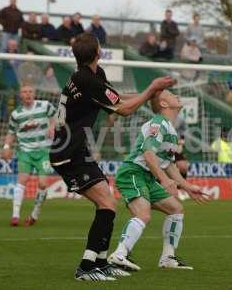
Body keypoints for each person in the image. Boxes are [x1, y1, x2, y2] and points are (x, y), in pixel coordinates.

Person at [49, 32, 176, 281]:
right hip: (68, 153)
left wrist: (147, 94)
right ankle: (86, 268)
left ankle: (100, 262)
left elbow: (116, 100)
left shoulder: (94, 76)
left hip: (77, 150)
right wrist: (151, 88)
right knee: (107, 204)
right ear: (98, 52)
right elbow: (125, 110)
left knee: (108, 205)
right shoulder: (87, 80)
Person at [108, 89, 208, 271]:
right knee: (143, 214)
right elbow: (147, 153)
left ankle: (168, 258)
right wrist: (164, 180)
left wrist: (187, 186)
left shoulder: (170, 128)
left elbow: (169, 165)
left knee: (176, 208)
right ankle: (119, 255)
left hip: (147, 176)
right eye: (171, 94)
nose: (176, 95)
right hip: (133, 172)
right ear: (164, 104)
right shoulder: (158, 124)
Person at [1, 85, 56, 226]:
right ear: (21, 95)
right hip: (25, 151)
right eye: (25, 92)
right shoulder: (16, 114)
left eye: (30, 91)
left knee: (43, 184)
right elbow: (11, 133)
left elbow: (56, 117)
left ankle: (34, 214)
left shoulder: (45, 106)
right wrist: (7, 147)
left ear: (34, 93)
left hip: (44, 151)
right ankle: (15, 216)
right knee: (22, 180)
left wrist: (52, 125)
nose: (28, 94)